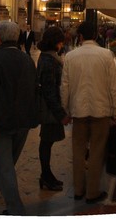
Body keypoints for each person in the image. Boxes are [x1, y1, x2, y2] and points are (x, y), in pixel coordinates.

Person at [0, 20, 39, 215]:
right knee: (8, 160)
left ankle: (15, 209)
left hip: (1, 119)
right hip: (24, 119)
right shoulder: (27, 60)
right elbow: (33, 89)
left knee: (5, 164)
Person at [60, 21, 116, 205]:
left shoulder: (70, 57)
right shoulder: (106, 55)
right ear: (95, 36)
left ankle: (78, 190)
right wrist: (115, 112)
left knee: (78, 151)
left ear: (80, 36)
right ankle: (92, 192)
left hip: (78, 111)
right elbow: (114, 87)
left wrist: (66, 110)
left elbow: (64, 87)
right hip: (101, 111)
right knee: (97, 151)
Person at [36, 26, 69, 191]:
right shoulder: (48, 61)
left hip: (51, 107)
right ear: (56, 42)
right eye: (61, 41)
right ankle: (46, 176)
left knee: (47, 142)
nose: (62, 44)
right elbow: (50, 90)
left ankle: (46, 175)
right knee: (46, 142)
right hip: (50, 110)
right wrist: (61, 113)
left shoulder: (48, 57)